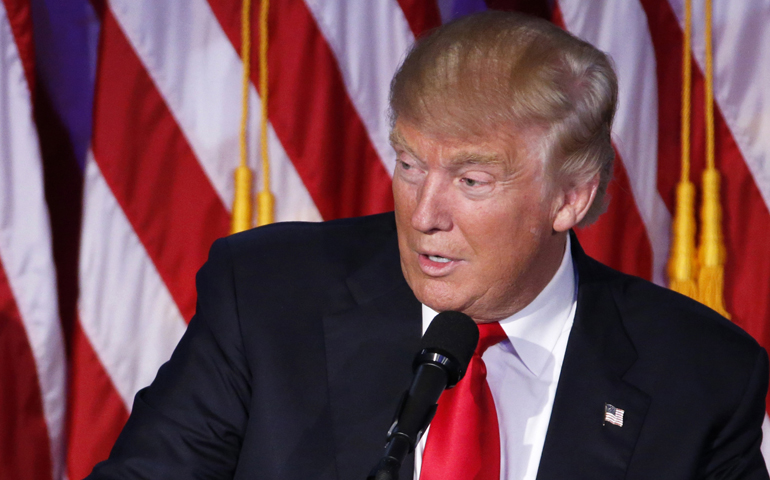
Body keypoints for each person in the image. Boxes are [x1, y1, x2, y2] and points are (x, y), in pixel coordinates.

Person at [87, 11, 769, 480]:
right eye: (410, 164)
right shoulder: (267, 297)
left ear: (571, 198)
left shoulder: (701, 377)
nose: (424, 213)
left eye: (471, 179)